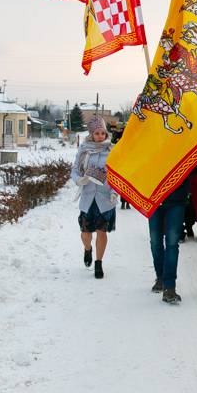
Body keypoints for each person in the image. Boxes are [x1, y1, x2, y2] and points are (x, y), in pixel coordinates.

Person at [70, 116, 117, 279]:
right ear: (91, 134)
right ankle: (88, 248)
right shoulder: (84, 150)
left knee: (102, 231)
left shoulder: (112, 150)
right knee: (85, 233)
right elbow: (75, 170)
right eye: (97, 133)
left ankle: (99, 263)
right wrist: (78, 180)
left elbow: (118, 174)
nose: (100, 136)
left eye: (103, 133)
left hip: (105, 198)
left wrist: (115, 192)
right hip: (88, 197)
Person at [148, 178, 190, 304]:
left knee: (172, 243)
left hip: (176, 199)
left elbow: (192, 166)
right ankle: (160, 277)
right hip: (154, 197)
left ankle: (170, 286)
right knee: (155, 241)